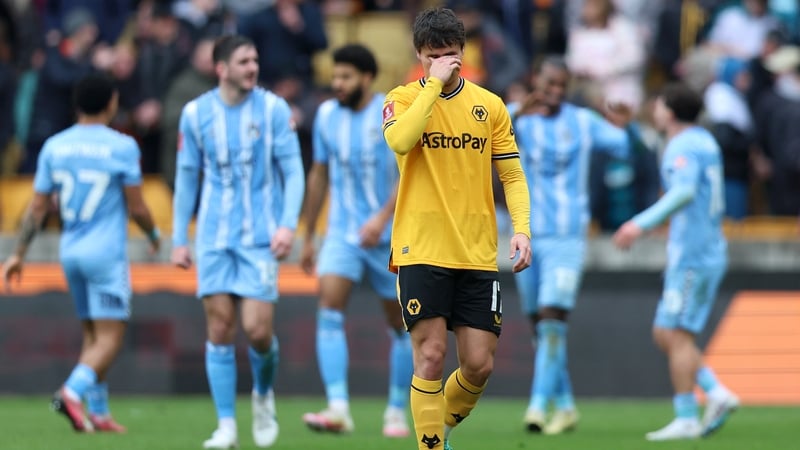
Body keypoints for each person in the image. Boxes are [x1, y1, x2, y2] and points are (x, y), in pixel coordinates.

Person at [382, 7, 532, 450]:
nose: (443, 63)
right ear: (419, 56)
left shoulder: (490, 106)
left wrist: (521, 228)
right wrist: (431, 85)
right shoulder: (403, 98)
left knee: (479, 365)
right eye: (433, 57)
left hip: (476, 252)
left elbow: (512, 174)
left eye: (450, 55)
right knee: (429, 356)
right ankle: (430, 447)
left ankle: (433, 430)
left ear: (465, 52)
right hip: (421, 247)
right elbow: (400, 140)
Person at [1, 72, 160, 433]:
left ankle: (99, 412)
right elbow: (136, 207)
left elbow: (37, 209)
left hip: (69, 251)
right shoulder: (122, 146)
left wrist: (18, 253)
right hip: (105, 254)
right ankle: (71, 393)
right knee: (111, 337)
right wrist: (153, 234)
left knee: (92, 334)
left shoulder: (55, 146)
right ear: (111, 103)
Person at [170, 35, 305, 449]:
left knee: (258, 330)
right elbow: (187, 177)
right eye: (244, 61)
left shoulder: (273, 109)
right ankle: (226, 426)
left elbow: (293, 171)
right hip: (213, 239)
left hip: (260, 238)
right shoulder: (195, 115)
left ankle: (263, 394)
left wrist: (287, 225)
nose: (252, 67)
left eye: (255, 60)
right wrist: (179, 239)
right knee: (221, 327)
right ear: (221, 68)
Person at [510, 55, 630, 435]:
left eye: (562, 86)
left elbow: (623, 145)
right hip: (527, 236)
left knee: (551, 318)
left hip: (566, 238)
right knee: (538, 325)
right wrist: (514, 116)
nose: (556, 93)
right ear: (537, 80)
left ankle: (536, 407)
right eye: (550, 85)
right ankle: (564, 405)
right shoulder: (515, 116)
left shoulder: (582, 121)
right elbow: (479, 143)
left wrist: (620, 123)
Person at [613, 82, 739, 441]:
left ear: (668, 111)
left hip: (694, 255)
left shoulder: (682, 146)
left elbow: (683, 192)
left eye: (659, 104)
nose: (654, 109)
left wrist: (639, 224)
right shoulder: (704, 140)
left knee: (676, 334)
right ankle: (716, 392)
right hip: (704, 248)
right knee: (665, 332)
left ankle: (687, 415)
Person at [299, 44, 412, 438]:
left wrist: (382, 219)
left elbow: (408, 172)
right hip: (343, 234)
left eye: (345, 77)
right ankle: (338, 407)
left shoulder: (390, 112)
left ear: (367, 78)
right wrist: (309, 235)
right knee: (328, 306)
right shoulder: (327, 115)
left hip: (387, 236)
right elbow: (319, 173)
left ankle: (397, 410)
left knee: (400, 323)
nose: (337, 84)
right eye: (335, 76)